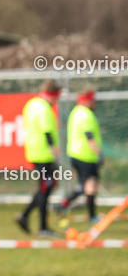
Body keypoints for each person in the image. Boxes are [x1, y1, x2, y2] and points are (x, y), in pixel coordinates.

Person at [16, 80, 61, 238]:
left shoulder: (32, 104)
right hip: (44, 155)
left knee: (46, 188)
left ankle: (26, 216)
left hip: (34, 152)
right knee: (45, 189)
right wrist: (55, 153)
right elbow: (47, 132)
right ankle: (41, 226)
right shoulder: (44, 108)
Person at [59, 88, 103, 224]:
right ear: (88, 101)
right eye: (92, 100)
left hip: (75, 153)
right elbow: (89, 136)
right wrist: (98, 153)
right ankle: (91, 216)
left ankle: (64, 204)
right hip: (85, 155)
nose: (94, 103)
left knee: (84, 185)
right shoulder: (86, 115)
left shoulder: (75, 112)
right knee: (90, 185)